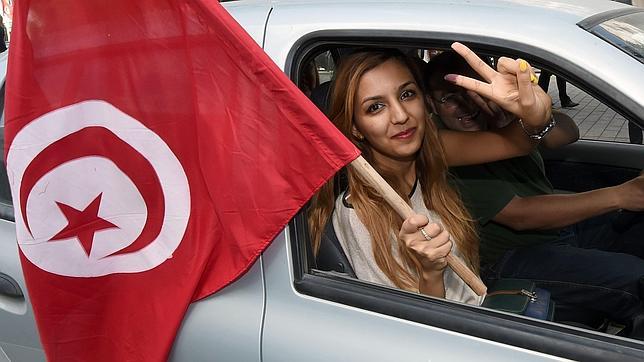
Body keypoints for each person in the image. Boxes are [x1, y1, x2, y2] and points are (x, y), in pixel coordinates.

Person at [308, 43, 553, 305]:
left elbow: (519, 142)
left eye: (406, 95)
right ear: (356, 128)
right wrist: (430, 274)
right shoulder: (360, 217)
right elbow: (412, 330)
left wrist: (537, 114)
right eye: (375, 107)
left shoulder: (431, 152)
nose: (401, 116)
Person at [425, 50, 644, 335]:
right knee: (638, 279)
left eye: (474, 91)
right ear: (431, 103)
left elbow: (568, 132)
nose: (467, 105)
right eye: (450, 97)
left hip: (558, 233)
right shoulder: (440, 147)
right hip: (511, 256)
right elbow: (520, 215)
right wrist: (620, 195)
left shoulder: (501, 121)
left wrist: (524, 114)